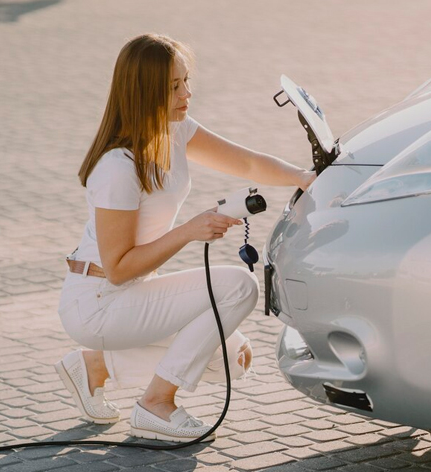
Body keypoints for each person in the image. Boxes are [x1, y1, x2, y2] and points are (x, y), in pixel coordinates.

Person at [55, 33, 315, 443]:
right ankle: (156, 404)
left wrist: (303, 176)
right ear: (144, 93)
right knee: (239, 287)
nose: (187, 93)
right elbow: (119, 270)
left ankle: (94, 368)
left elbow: (245, 160)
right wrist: (189, 231)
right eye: (174, 87)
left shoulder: (173, 130)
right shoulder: (117, 168)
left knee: (231, 357)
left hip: (127, 294)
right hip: (97, 301)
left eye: (186, 81)